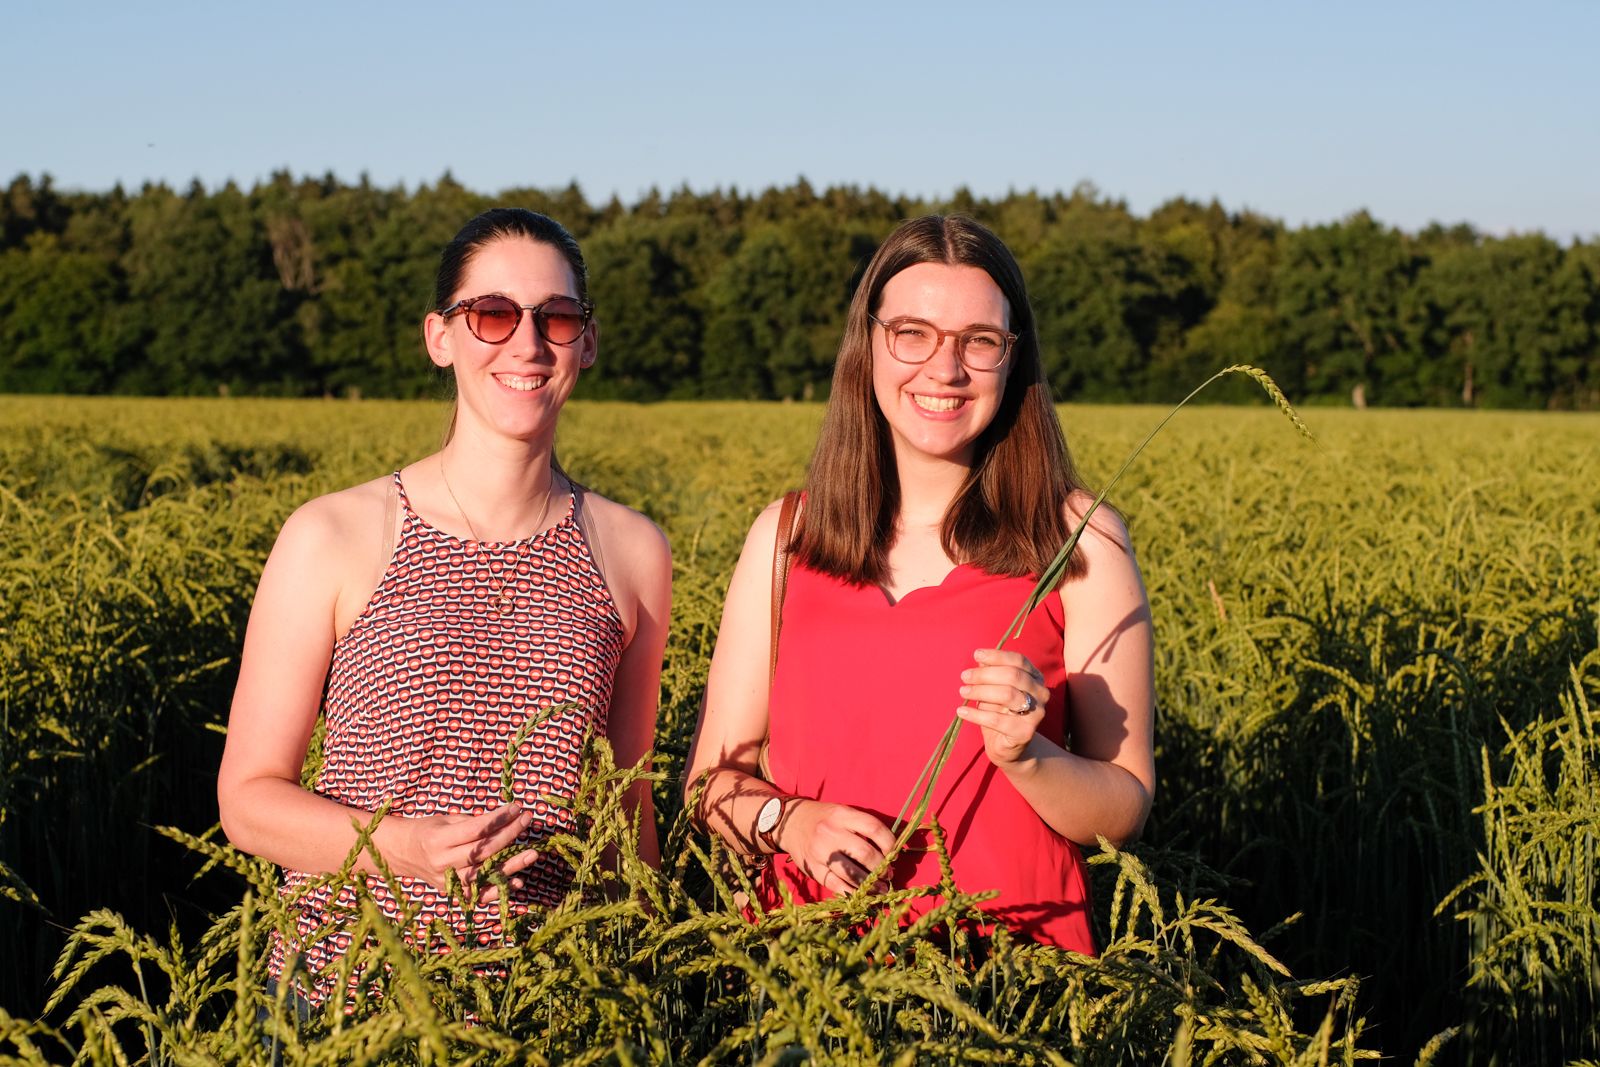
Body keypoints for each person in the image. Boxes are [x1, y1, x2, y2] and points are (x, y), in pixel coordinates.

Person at [218, 208, 671, 1002]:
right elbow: (249, 800)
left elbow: (623, 810)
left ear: (587, 343)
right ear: (441, 336)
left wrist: (648, 979)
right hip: (341, 996)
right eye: (491, 314)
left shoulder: (631, 550)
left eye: (556, 318)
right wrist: (408, 848)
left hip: (548, 1008)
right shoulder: (334, 533)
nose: (527, 343)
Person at [685, 215, 1154, 953]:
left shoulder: (1079, 538)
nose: (946, 368)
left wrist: (1033, 758)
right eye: (913, 333)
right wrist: (791, 824)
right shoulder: (784, 538)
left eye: (979, 340)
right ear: (867, 344)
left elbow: (1125, 804)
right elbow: (711, 783)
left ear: (1013, 356)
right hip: (809, 978)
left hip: (1013, 980)